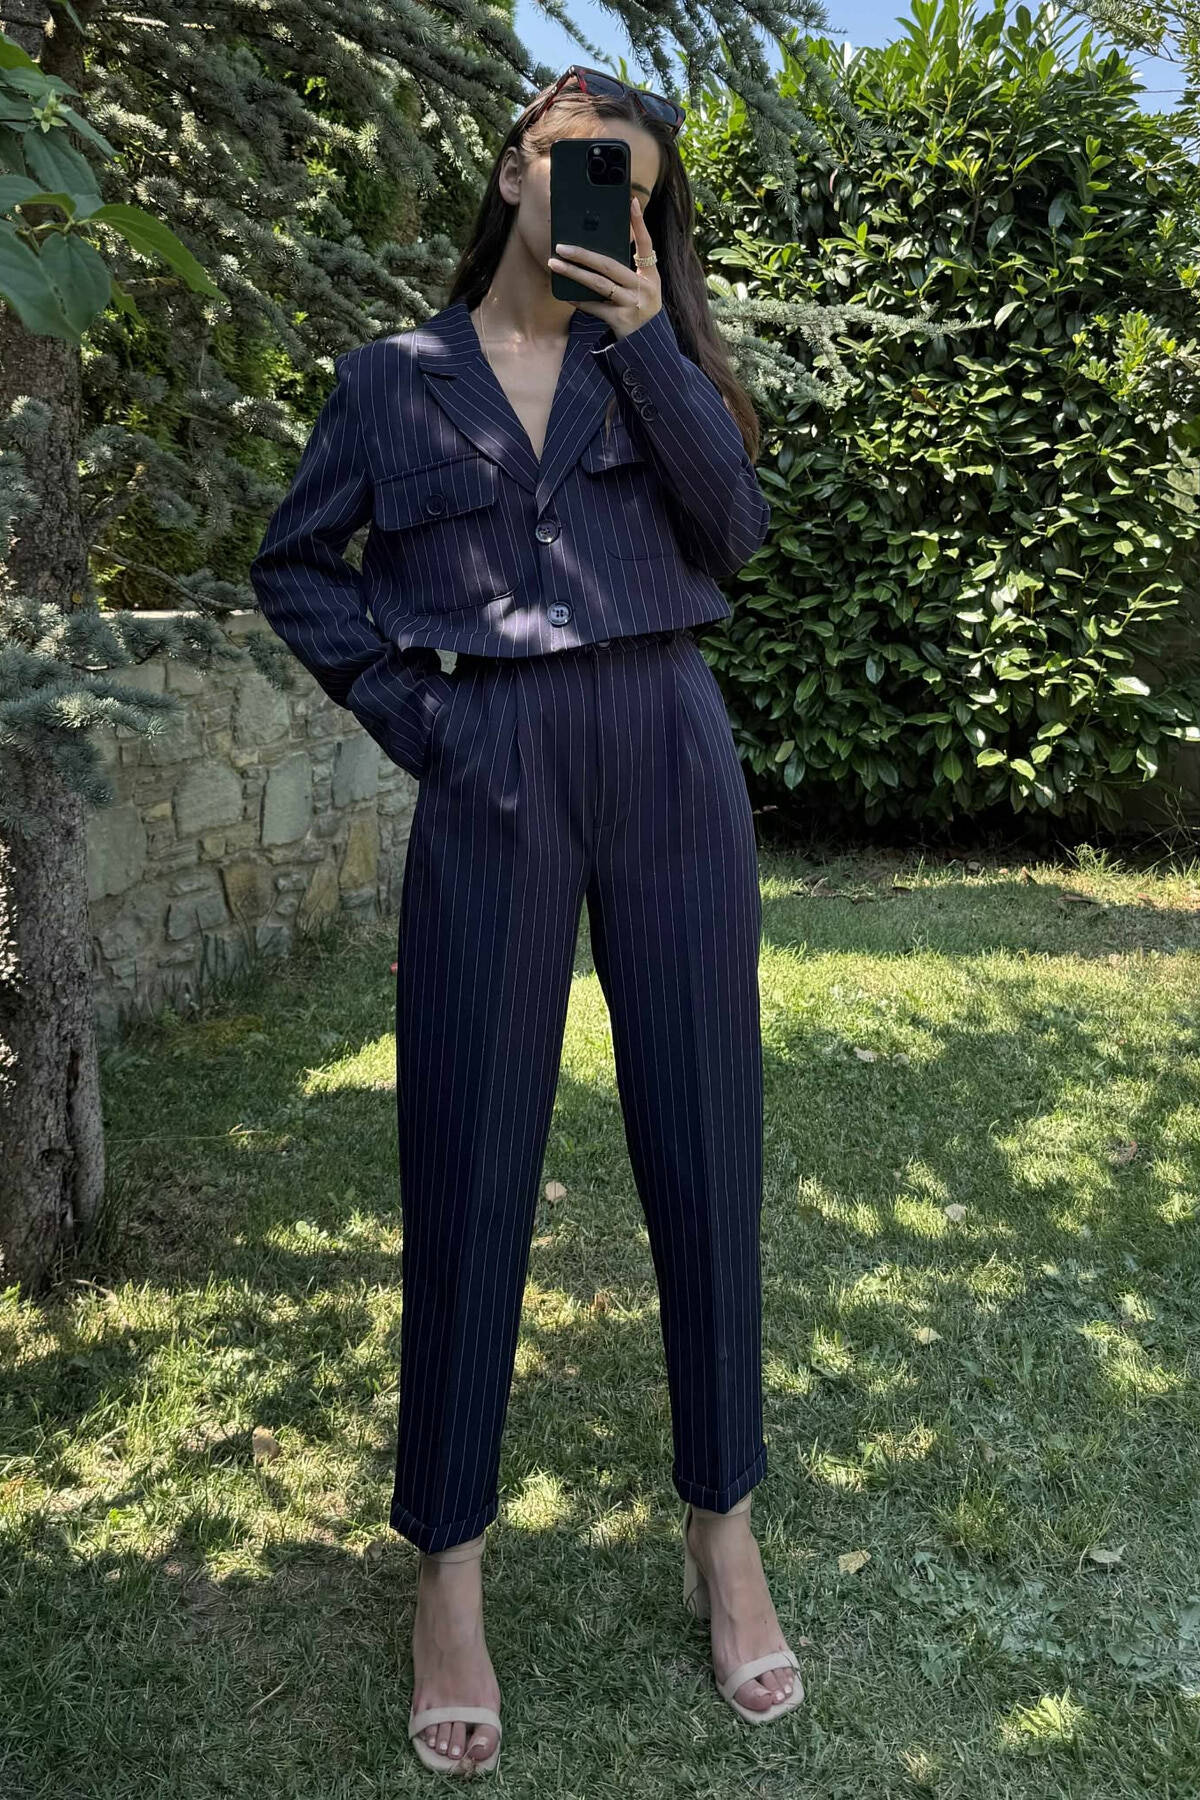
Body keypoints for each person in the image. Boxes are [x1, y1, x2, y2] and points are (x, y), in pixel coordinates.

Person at [250, 63, 803, 1780]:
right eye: (574, 163)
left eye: (629, 184)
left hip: (667, 747)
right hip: (489, 758)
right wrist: (422, 716)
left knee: (704, 1142)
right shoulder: (390, 380)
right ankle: (449, 1574)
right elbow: (295, 563)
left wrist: (650, 350)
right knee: (468, 1151)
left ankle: (725, 1541)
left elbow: (739, 536)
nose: (595, 199)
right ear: (512, 169)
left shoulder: (664, 363)